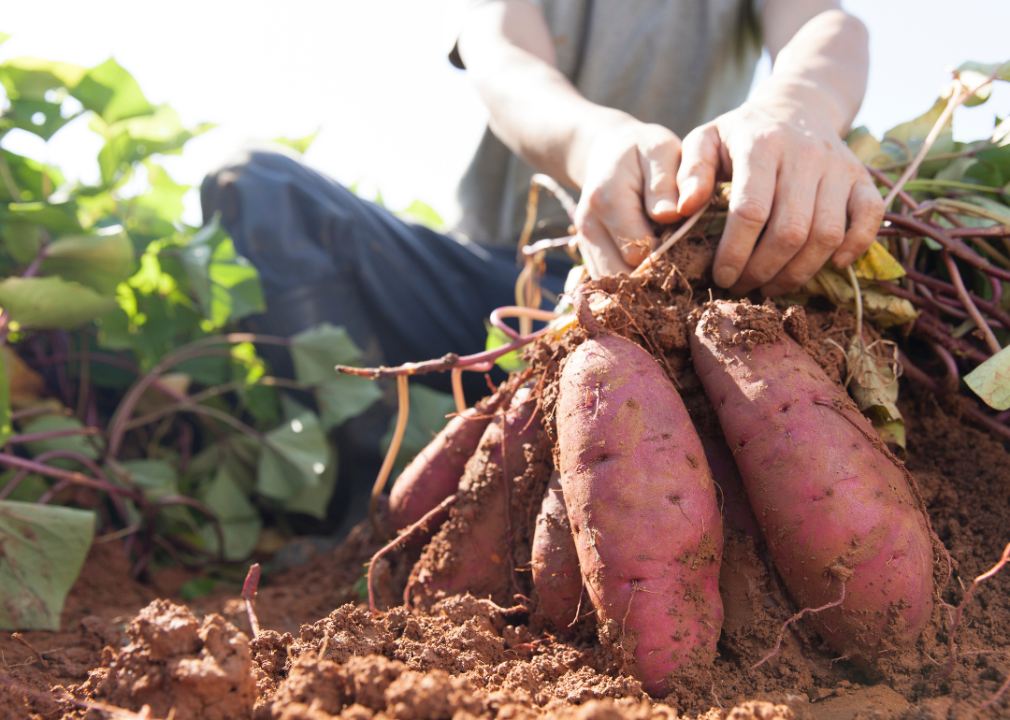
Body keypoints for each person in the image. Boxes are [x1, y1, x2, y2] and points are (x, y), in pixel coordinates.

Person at [200, 0, 883, 530]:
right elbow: (502, 57)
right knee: (254, 184)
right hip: (499, 288)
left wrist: (798, 109)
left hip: (663, 294)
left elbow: (824, 23)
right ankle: (375, 507)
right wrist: (596, 142)